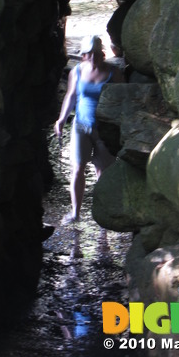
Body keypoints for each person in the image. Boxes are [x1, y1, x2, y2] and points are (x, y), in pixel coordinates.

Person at [54, 35, 124, 224]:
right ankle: (75, 212)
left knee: (103, 172)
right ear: (83, 55)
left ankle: (104, 215)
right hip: (80, 125)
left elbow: (122, 100)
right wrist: (61, 119)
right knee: (77, 169)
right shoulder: (76, 72)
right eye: (88, 54)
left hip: (104, 128)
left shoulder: (114, 73)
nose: (92, 58)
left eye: (95, 54)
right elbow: (70, 96)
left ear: (102, 54)